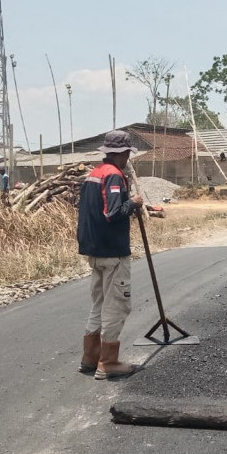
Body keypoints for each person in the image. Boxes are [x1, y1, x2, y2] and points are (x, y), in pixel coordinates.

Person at [77, 129, 144, 380]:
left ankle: (90, 357)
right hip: (112, 251)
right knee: (117, 306)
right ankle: (108, 361)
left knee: (99, 303)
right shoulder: (114, 177)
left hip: (93, 249)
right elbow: (113, 213)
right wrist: (133, 203)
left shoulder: (94, 174)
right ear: (123, 153)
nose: (127, 158)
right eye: (127, 153)